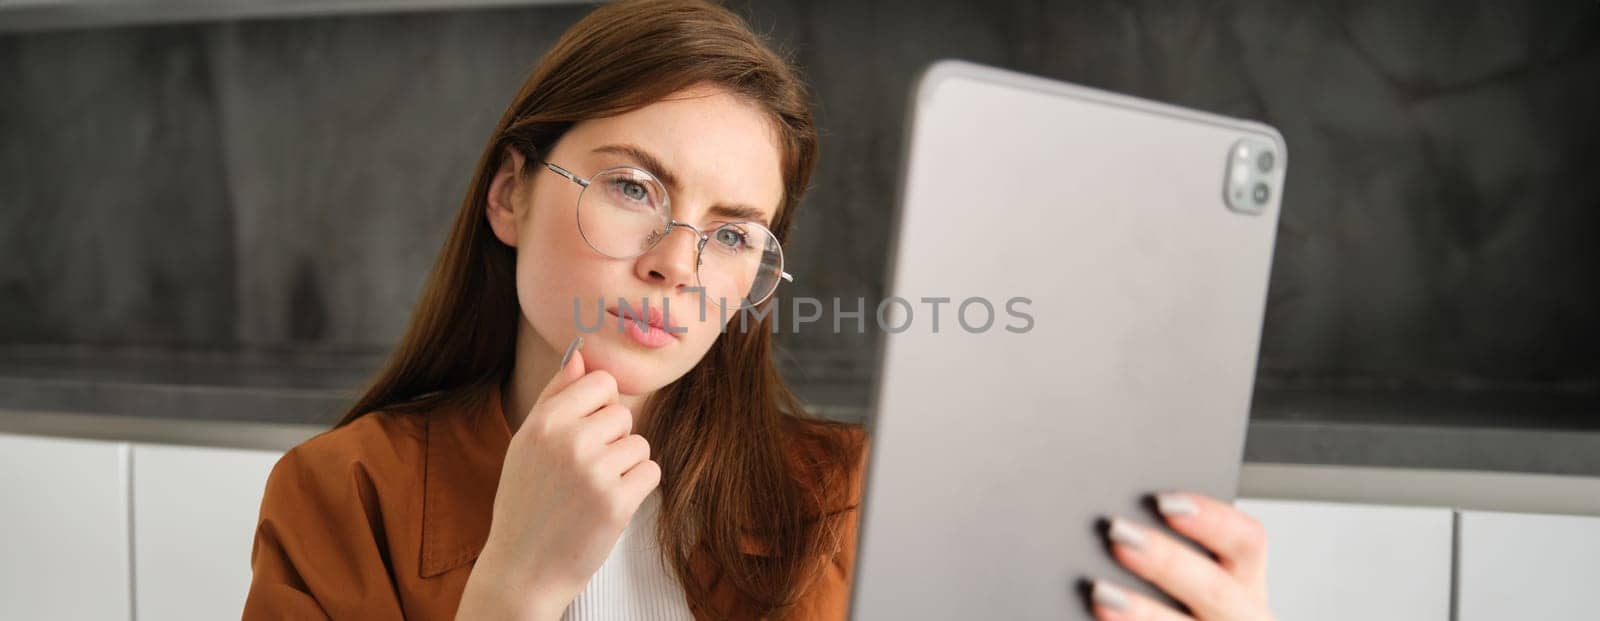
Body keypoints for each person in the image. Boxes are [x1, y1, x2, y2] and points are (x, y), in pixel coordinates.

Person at [242, 1, 1278, 620]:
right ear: (510, 194)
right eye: (634, 188)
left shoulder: (851, 500)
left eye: (733, 232)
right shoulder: (340, 498)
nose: (677, 266)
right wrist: (513, 587)